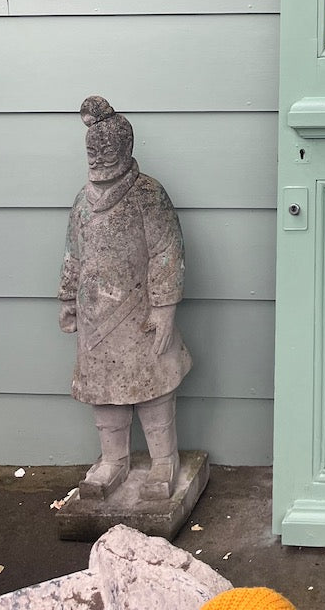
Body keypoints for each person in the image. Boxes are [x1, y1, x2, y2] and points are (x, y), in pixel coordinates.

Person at [58, 96, 192, 501]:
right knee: (104, 389)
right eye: (91, 152)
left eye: (106, 151)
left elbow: (167, 252)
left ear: (125, 150)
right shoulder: (83, 201)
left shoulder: (148, 195)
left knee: (151, 384)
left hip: (140, 312)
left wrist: (165, 309)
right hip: (96, 313)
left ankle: (164, 460)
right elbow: (73, 251)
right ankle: (113, 459)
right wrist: (67, 298)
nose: (97, 160)